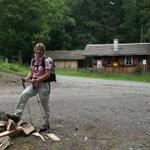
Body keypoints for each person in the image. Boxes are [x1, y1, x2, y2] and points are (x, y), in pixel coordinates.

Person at [7, 43, 51, 132]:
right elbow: (31, 72)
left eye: (40, 49)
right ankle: (16, 116)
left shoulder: (46, 60)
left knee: (44, 105)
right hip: (34, 84)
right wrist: (26, 79)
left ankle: (46, 123)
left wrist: (38, 79)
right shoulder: (33, 60)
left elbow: (47, 74)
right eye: (37, 49)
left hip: (43, 85)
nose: (38, 51)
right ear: (35, 50)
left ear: (43, 50)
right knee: (24, 94)